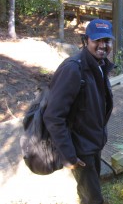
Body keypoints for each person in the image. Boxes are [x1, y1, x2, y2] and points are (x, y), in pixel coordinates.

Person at [43, 18, 115, 204]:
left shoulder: (99, 65)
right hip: (79, 149)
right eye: (96, 40)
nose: (102, 45)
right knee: (93, 198)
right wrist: (69, 155)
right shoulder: (73, 69)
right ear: (86, 41)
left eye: (106, 40)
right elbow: (53, 116)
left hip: (93, 143)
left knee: (90, 192)